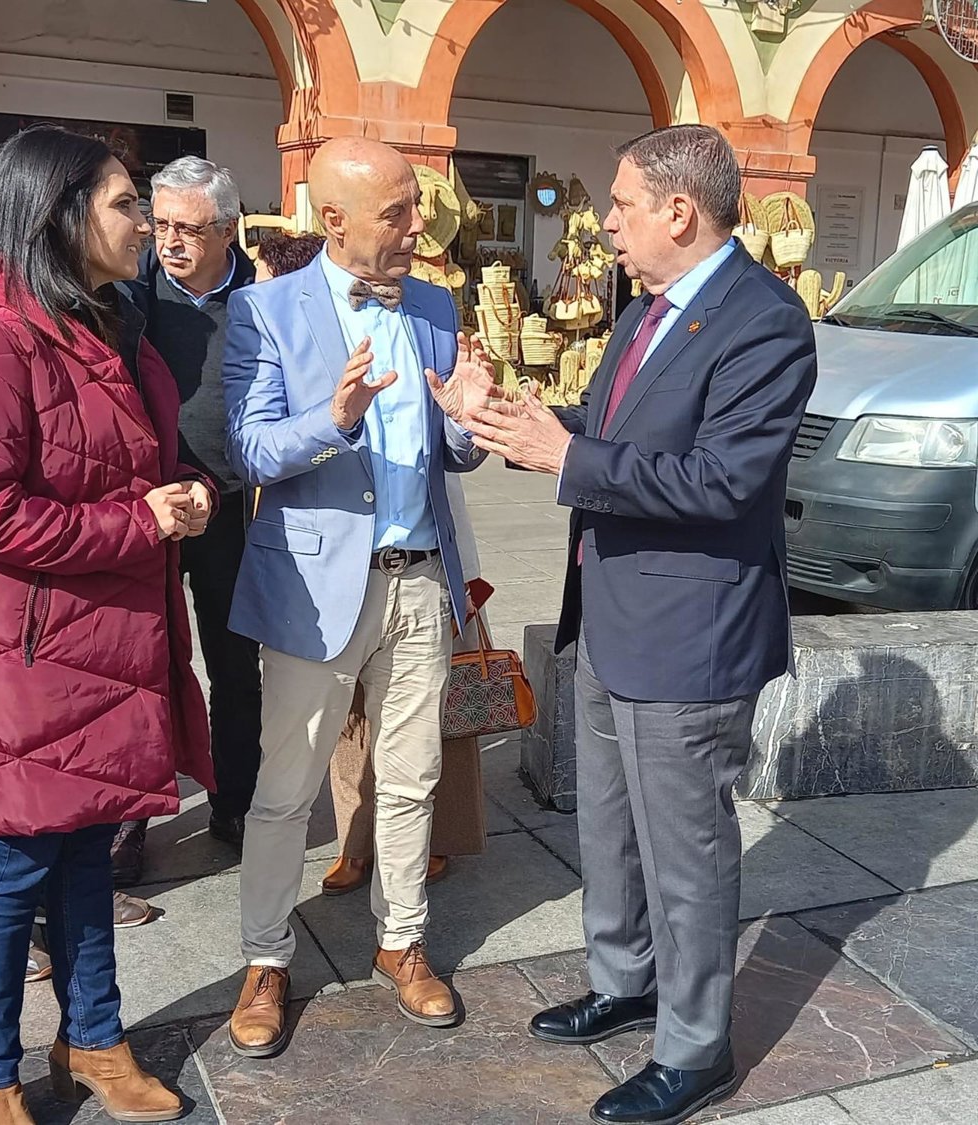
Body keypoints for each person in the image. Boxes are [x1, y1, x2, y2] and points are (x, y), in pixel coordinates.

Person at [464, 124, 816, 1125]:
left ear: (679, 209)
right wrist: (513, 420)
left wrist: (566, 459)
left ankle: (696, 1047)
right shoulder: (645, 308)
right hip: (610, 614)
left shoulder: (766, 322)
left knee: (687, 852)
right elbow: (606, 430)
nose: (606, 223)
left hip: (690, 633)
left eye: (621, 204)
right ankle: (626, 982)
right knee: (611, 828)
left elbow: (722, 480)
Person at [0, 124, 216, 1125]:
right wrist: (139, 520)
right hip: (27, 654)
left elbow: (115, 464)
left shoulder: (94, 319)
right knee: (13, 870)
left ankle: (94, 1039)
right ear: (58, 214)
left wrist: (179, 492)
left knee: (90, 851)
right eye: (126, 204)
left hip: (102, 640)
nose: (146, 225)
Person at [220, 136, 497, 1059]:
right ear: (333, 220)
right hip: (313, 588)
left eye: (418, 207)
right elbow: (250, 449)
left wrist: (470, 420)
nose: (419, 227)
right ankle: (266, 958)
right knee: (285, 791)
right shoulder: (263, 309)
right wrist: (332, 421)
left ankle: (401, 939)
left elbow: (452, 451)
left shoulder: (435, 305)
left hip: (420, 579)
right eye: (398, 212)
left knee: (412, 778)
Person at [115, 156, 260, 875]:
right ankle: (129, 819)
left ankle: (237, 799)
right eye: (161, 222)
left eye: (189, 228)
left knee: (234, 661)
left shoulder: (261, 301)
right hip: (144, 507)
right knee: (138, 662)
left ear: (228, 230)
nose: (168, 239)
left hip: (226, 507)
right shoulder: (127, 297)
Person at [322, 470, 491, 895]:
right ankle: (356, 840)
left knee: (438, 706)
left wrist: (465, 575)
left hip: (428, 548)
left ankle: (439, 834)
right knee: (348, 712)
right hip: (342, 546)